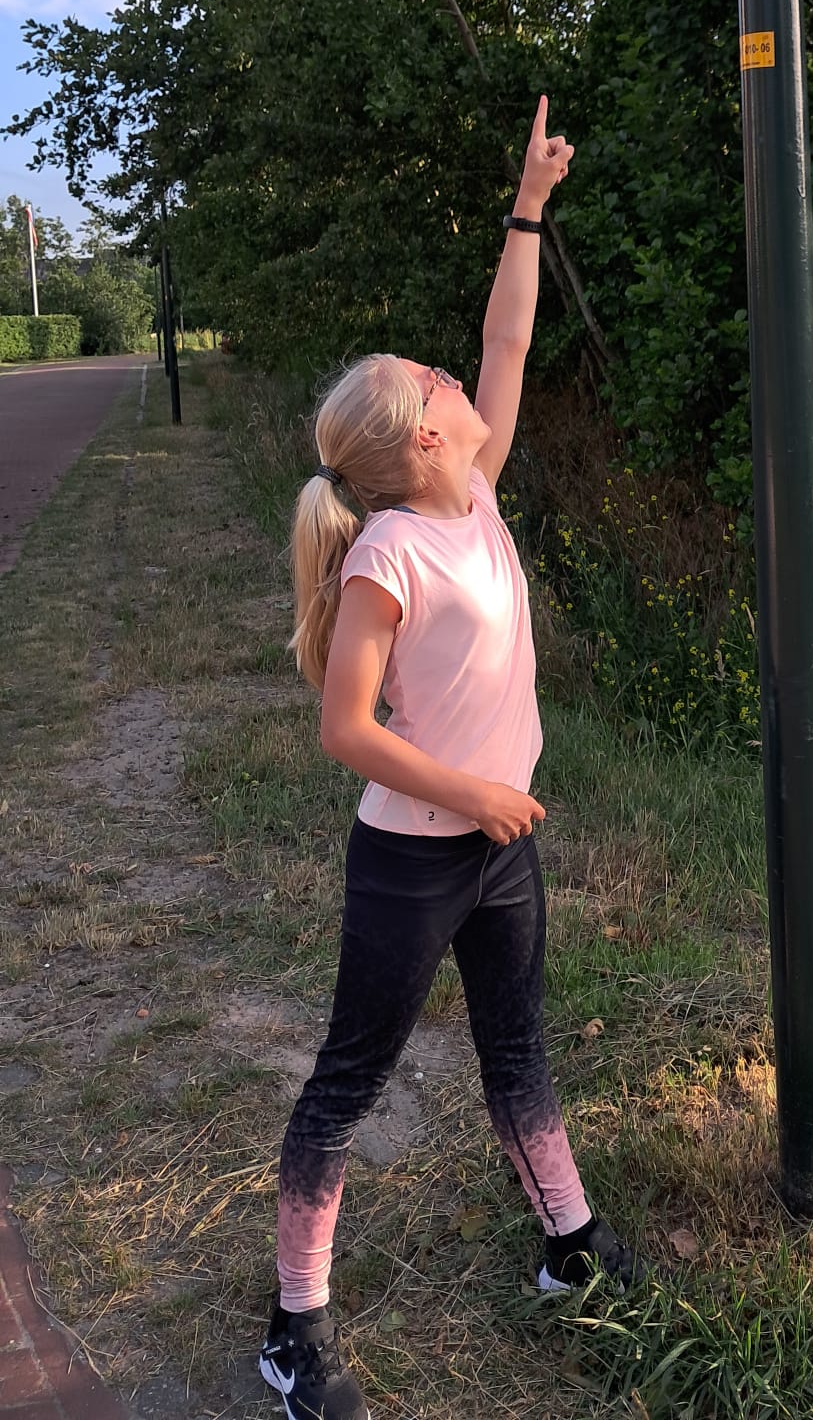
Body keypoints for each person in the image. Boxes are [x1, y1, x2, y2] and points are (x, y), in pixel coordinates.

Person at [259, 99, 641, 1420]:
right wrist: (477, 793)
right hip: (417, 860)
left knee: (518, 1050)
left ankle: (567, 1245)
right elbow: (346, 731)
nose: (457, 382)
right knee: (351, 1079)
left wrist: (526, 206)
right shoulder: (384, 555)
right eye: (434, 383)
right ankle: (291, 1330)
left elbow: (507, 330)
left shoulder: (470, 492)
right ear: (424, 434)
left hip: (499, 845)